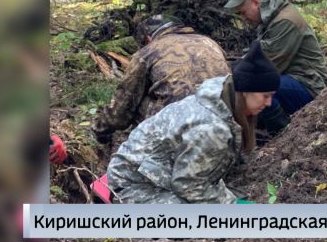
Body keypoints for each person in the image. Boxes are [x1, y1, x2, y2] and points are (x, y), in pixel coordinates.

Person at [107, 41, 279, 204]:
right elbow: (188, 185)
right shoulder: (212, 128)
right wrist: (232, 205)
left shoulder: (224, 95)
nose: (269, 103)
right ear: (245, 92)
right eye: (265, 96)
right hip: (131, 187)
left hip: (153, 174)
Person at [91, 15, 230, 145]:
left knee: (137, 100)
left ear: (148, 38)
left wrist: (100, 128)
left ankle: (145, 150)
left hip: (178, 123)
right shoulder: (210, 43)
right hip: (224, 114)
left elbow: (123, 105)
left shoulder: (149, 51)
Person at [223, 0, 327, 135]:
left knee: (256, 85)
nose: (243, 18)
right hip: (293, 79)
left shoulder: (285, 21)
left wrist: (231, 73)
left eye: (243, 12)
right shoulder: (271, 17)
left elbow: (267, 67)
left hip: (310, 85)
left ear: (255, 2)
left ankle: (282, 134)